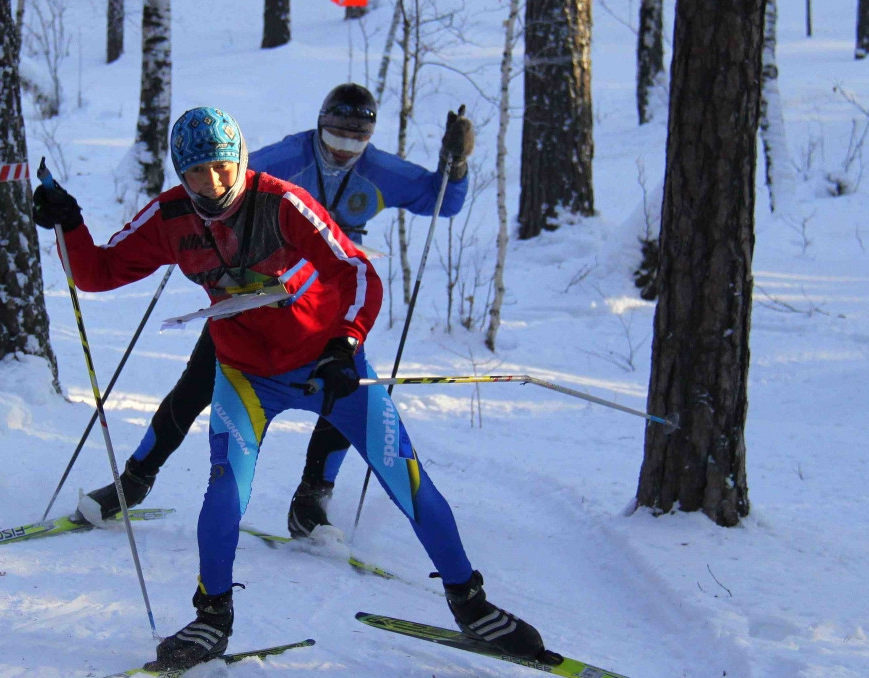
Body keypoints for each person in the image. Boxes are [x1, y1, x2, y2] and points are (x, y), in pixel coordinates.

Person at [33, 107, 540, 671]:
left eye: (223, 167)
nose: (213, 183)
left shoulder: (280, 203)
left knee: (409, 479)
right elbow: (97, 273)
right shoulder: (171, 217)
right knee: (225, 487)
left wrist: (346, 344)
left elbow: (357, 270)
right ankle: (212, 617)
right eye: (197, 172)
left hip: (328, 366)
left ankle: (470, 603)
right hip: (246, 376)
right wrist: (69, 225)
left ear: (241, 158)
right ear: (181, 173)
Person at [82, 83, 476, 539]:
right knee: (194, 388)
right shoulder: (288, 159)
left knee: (342, 392)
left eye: (357, 140)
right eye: (335, 138)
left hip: (326, 305)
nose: (345, 150)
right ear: (320, 126)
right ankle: (133, 482)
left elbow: (442, 199)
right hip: (251, 300)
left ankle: (311, 500)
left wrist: (456, 164)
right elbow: (218, 186)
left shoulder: (379, 171)